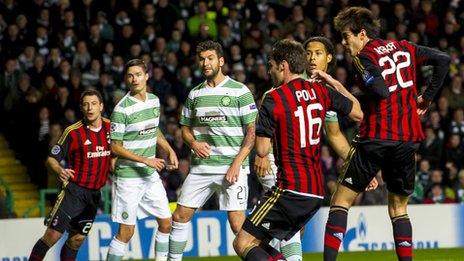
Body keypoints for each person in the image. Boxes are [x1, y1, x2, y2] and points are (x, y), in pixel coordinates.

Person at [323, 7, 450, 261]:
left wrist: (344, 95)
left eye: (346, 36)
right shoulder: (404, 47)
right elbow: (443, 59)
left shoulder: (363, 57)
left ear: (361, 33)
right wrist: (427, 97)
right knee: (399, 208)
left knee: (341, 201)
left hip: (377, 136)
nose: (344, 43)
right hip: (407, 138)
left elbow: (380, 90)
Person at [233, 39, 363, 261]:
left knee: (242, 242)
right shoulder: (321, 91)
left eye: (272, 66)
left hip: (290, 189)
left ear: (283, 66)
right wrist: (333, 82)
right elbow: (358, 113)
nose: (270, 72)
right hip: (315, 192)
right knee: (266, 242)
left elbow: (263, 150)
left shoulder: (273, 98)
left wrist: (267, 124)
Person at [168, 40, 257, 261]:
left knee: (238, 226)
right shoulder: (194, 94)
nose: (205, 63)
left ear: (221, 61)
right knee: (179, 217)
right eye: (202, 59)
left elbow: (252, 133)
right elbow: (185, 129)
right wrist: (194, 144)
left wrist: (237, 163)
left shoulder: (240, 91)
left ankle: (270, 257)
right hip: (202, 169)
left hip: (232, 168)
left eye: (210, 58)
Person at [107, 59, 179, 261]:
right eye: (130, 75)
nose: (134, 78)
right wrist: (145, 160)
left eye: (138, 74)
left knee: (166, 223)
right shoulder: (121, 110)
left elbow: (153, 128)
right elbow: (115, 146)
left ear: (146, 76)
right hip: (128, 178)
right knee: (126, 232)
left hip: (150, 176)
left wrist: (169, 148)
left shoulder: (154, 101)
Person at [29, 89, 111, 261]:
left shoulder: (112, 128)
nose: (90, 108)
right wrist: (60, 170)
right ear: (81, 108)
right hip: (73, 192)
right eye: (86, 104)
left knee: (76, 240)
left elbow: (116, 154)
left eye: (94, 104)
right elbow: (52, 158)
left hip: (94, 194)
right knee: (52, 235)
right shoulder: (73, 132)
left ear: (101, 106)